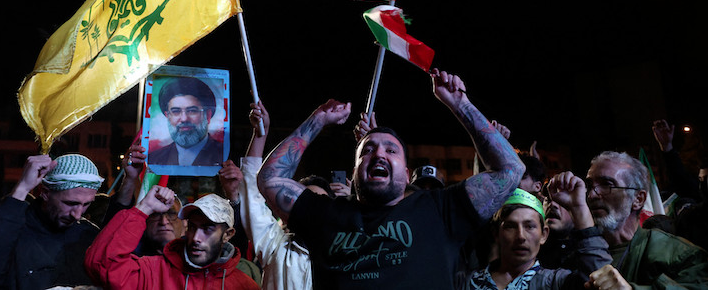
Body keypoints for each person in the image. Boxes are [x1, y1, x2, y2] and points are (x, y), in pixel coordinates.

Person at [257, 68, 525, 289]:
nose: (379, 154)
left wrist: (460, 104)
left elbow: (510, 170)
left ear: (407, 175)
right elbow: (269, 179)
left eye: (391, 150)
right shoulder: (326, 214)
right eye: (367, 150)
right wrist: (318, 119)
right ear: (355, 172)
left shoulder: (440, 209)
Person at [219, 99, 341, 290]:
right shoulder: (277, 248)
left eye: (320, 204)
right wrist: (260, 134)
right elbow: (252, 191)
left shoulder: (347, 255)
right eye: (305, 204)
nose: (313, 211)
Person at [584, 150, 708, 289]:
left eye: (607, 185)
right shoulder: (578, 251)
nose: (592, 195)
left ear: (638, 199)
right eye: (589, 186)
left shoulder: (677, 254)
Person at [84, 187, 259, 289]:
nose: (196, 238)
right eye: (192, 227)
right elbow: (101, 265)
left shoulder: (243, 285)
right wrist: (144, 207)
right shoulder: (154, 271)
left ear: (227, 235)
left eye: (207, 229)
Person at [0, 153, 104, 290]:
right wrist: (22, 188)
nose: (77, 215)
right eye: (70, 203)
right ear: (45, 193)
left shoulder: (88, 235)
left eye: (86, 204)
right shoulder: (12, 228)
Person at [467, 172, 611, 290]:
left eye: (529, 226)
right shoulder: (467, 282)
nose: (521, 236)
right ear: (496, 233)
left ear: (544, 235)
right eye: (510, 226)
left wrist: (579, 207)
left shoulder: (556, 283)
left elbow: (601, 280)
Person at [148, 76, 224, 167]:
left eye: (192, 111)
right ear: (168, 116)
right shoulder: (153, 159)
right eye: (176, 111)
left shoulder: (226, 156)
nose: (184, 119)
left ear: (207, 115)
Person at [537, 193, 577, 269]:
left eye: (561, 202)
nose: (552, 205)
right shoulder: (532, 245)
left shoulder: (587, 249)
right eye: (548, 200)